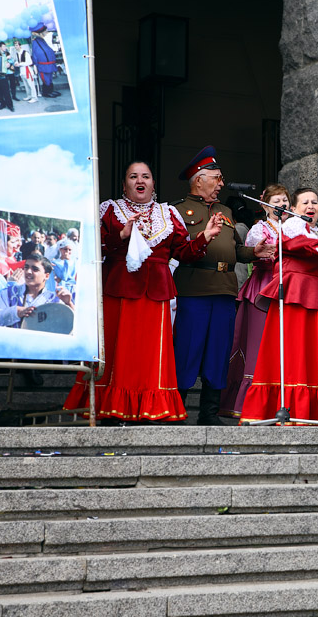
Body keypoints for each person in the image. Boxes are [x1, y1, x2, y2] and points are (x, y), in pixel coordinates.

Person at [63, 161, 222, 423]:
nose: (140, 180)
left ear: (153, 184)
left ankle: (150, 410)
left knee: (150, 356)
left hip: (155, 294)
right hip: (120, 289)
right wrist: (121, 235)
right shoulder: (110, 210)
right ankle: (111, 410)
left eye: (146, 176)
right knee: (118, 352)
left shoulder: (168, 213)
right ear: (125, 184)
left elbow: (183, 252)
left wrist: (205, 236)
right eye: (133, 176)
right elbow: (95, 247)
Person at [171, 146, 276, 425]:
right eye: (216, 178)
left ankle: (209, 414)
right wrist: (204, 237)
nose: (221, 184)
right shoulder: (178, 211)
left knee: (219, 352)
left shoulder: (226, 210)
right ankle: (178, 411)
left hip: (225, 290)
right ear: (198, 179)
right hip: (194, 290)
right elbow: (178, 251)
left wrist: (254, 253)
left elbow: (235, 249)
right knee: (187, 350)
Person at [240, 189, 318, 425]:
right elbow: (298, 246)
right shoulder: (293, 227)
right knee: (297, 357)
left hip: (317, 305)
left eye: (315, 202)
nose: (310, 206)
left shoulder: (314, 235)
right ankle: (296, 409)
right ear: (293, 209)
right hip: (296, 300)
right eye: (304, 202)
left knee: (315, 359)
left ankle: (315, 412)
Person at [219, 184, 289, 419]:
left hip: (289, 292)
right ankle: (252, 403)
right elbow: (254, 253)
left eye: (284, 201)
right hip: (263, 288)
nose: (281, 205)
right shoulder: (259, 229)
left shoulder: (296, 227)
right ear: (264, 205)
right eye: (276, 201)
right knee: (259, 346)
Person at [0, 252, 72, 327]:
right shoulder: (10, 293)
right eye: (26, 267)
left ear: (46, 276)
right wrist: (15, 312)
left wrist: (69, 304)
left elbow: (68, 326)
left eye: (35, 269)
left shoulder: (54, 299)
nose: (28, 271)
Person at [30, 24, 60, 98]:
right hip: (43, 65)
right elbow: (36, 54)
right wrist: (35, 65)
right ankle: (46, 92)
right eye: (44, 31)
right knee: (46, 79)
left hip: (49, 64)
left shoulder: (42, 40)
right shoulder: (35, 41)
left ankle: (50, 90)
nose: (46, 32)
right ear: (40, 33)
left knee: (49, 78)